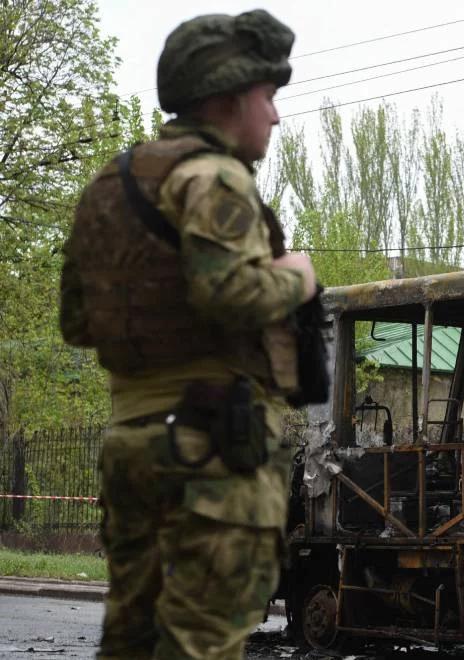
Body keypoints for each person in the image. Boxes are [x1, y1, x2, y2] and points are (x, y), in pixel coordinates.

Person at [58, 9, 316, 659]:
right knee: (201, 644)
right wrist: (295, 278)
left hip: (131, 444)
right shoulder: (215, 178)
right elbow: (228, 293)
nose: (276, 117)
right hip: (211, 448)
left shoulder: (108, 187)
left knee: (132, 644)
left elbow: (76, 323)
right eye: (269, 98)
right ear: (230, 100)